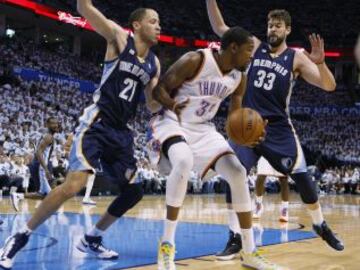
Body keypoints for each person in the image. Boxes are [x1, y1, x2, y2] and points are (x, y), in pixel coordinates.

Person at [0, 0, 161, 268]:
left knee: (133, 192)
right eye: (153, 21)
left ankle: (92, 238)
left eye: (159, 23)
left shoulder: (154, 63)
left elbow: (152, 102)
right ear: (137, 24)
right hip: (97, 123)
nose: (158, 27)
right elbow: (83, 7)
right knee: (74, 185)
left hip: (121, 133)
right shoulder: (119, 38)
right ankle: (20, 234)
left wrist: (178, 100)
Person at [206, 0, 344, 261]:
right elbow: (219, 27)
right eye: (270, 25)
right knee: (233, 174)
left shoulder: (297, 57)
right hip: (248, 124)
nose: (272, 29)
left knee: (302, 178)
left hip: (278, 128)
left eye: (278, 26)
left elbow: (329, 86)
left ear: (287, 30)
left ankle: (320, 224)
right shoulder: (253, 46)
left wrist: (322, 63)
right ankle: (234, 237)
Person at [148, 26, 286, 270]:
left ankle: (249, 251)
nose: (251, 57)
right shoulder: (196, 60)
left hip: (203, 128)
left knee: (238, 172)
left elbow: (234, 120)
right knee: (182, 160)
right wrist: (172, 104)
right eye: (248, 51)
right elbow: (159, 89)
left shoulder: (239, 78)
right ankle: (167, 245)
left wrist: (246, 134)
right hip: (172, 120)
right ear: (233, 47)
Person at [10, 117, 59, 211]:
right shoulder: (48, 136)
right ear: (47, 125)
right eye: (53, 123)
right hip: (40, 166)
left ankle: (19, 196)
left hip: (40, 165)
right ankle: (18, 196)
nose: (55, 125)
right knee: (49, 195)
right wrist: (46, 169)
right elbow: (38, 152)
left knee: (44, 195)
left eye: (56, 123)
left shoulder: (48, 136)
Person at [253, 157, 289, 222]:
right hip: (267, 150)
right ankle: (259, 205)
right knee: (260, 176)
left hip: (281, 151)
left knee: (283, 179)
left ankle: (285, 209)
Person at [64, 133, 96, 205]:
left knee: (92, 174)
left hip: (82, 159)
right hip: (75, 159)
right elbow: (66, 148)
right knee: (70, 180)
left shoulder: (86, 134)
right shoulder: (72, 135)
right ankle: (86, 197)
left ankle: (86, 197)